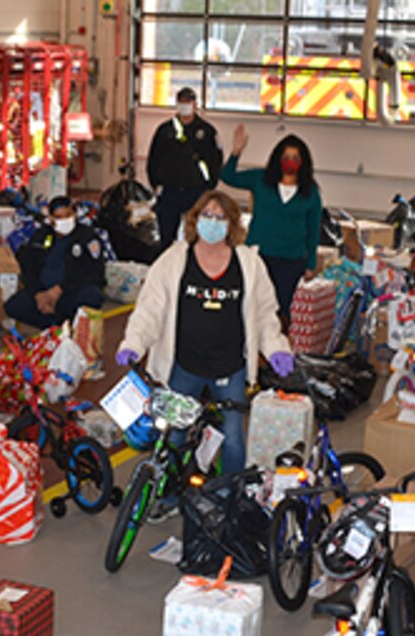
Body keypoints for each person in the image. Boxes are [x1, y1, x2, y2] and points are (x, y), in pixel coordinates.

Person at [113, 191, 291, 478]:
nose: (213, 222)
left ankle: (227, 499)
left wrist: (277, 349)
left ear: (232, 224)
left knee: (233, 439)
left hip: (229, 368)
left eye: (220, 217)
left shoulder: (248, 264)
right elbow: (150, 309)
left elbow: (264, 315)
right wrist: (133, 343)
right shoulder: (173, 260)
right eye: (207, 215)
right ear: (195, 219)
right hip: (184, 366)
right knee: (173, 436)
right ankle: (170, 497)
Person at [221, 126, 323, 323]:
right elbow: (228, 177)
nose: (290, 162)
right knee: (253, 305)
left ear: (303, 162)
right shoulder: (260, 179)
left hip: (291, 261)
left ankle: (277, 349)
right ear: (278, 159)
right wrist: (236, 152)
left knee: (282, 309)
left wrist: (311, 264)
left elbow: (313, 231)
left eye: (295, 158)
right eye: (286, 157)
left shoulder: (311, 193)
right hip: (259, 256)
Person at [4, 196, 106, 330]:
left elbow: (93, 272)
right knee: (13, 306)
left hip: (70, 291)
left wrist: (59, 290)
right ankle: (54, 320)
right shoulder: (41, 236)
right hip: (43, 292)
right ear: (51, 219)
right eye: (59, 217)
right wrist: (38, 294)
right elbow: (28, 266)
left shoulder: (87, 237)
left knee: (92, 296)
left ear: (74, 214)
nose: (65, 220)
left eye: (68, 215)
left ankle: (60, 318)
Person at [146, 88, 223, 248]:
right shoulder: (165, 130)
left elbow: (216, 160)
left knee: (196, 236)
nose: (185, 106)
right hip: (169, 191)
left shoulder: (207, 131)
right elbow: (154, 158)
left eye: (188, 102)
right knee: (166, 237)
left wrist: (209, 187)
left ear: (195, 105)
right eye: (182, 102)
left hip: (196, 191)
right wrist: (156, 184)